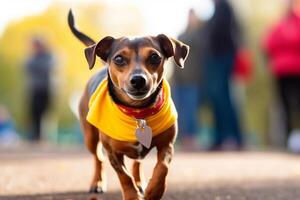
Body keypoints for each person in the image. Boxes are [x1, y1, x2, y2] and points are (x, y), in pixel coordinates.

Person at [202, 0, 243, 150]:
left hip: (222, 57)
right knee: (217, 98)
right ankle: (219, 137)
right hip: (215, 59)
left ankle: (235, 137)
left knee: (223, 98)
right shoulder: (218, 9)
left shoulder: (225, 7)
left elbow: (228, 33)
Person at [264, 0, 300, 151]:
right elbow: (268, 44)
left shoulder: (288, 24)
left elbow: (269, 44)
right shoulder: (278, 25)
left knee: (294, 105)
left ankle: (291, 137)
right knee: (285, 106)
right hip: (282, 72)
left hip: (296, 70)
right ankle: (288, 138)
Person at [172, 9, 204, 151]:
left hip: (193, 80)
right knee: (181, 110)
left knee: (191, 110)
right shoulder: (181, 35)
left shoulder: (199, 35)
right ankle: (183, 138)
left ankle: (191, 138)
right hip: (180, 80)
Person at [25, 37, 54, 141]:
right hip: (34, 89)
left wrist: (35, 66)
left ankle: (42, 136)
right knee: (33, 112)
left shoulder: (49, 56)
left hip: (45, 89)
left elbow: (46, 68)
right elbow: (26, 65)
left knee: (44, 112)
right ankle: (35, 135)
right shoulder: (33, 57)